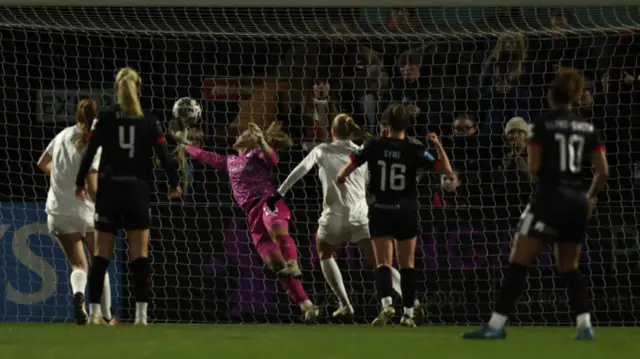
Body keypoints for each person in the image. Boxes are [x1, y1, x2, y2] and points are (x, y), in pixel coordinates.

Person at [462, 68, 608, 341]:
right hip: (577, 201)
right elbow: (603, 172)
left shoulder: (540, 124)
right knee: (569, 266)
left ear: (551, 95)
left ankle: (495, 325)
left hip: (549, 199)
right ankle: (585, 325)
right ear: (575, 97)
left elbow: (534, 168)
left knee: (518, 260)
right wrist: (589, 197)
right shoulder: (588, 127)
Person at [269, 114, 418, 319]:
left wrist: (280, 192)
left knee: (324, 251)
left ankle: (345, 304)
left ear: (332, 131)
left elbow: (301, 169)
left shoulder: (321, 150)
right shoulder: (362, 152)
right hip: (361, 214)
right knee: (381, 263)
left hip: (334, 217)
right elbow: (370, 181)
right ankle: (413, 302)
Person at [74, 68, 182, 326]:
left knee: (101, 255)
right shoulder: (149, 120)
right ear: (139, 90)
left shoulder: (106, 118)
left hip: (110, 191)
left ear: (115, 90)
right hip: (137, 192)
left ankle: (96, 313)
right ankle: (141, 316)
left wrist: (80, 182)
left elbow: (90, 154)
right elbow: (165, 157)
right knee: (140, 256)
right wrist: (174, 183)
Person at [181, 121, 319, 321]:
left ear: (251, 141)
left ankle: (293, 262)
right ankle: (307, 306)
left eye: (243, 134)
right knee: (274, 265)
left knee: (277, 231)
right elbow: (207, 156)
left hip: (268, 201)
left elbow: (273, 159)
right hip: (251, 215)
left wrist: (262, 141)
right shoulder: (229, 161)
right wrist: (186, 146)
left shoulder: (257, 155)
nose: (238, 136)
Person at [337, 104, 453, 327]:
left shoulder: (374, 145)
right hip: (406, 212)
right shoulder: (414, 149)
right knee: (407, 264)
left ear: (386, 124)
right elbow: (446, 170)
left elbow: (345, 172)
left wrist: (343, 181)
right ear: (407, 125)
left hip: (381, 210)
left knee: (383, 263)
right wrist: (438, 145)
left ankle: (387, 304)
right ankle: (409, 314)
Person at [37, 99, 115, 325]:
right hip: (87, 211)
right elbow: (91, 185)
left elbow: (42, 163)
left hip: (59, 211)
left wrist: (61, 176)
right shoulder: (96, 141)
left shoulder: (61, 135)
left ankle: (78, 295)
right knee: (99, 262)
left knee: (78, 265)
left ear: (76, 115)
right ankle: (106, 316)